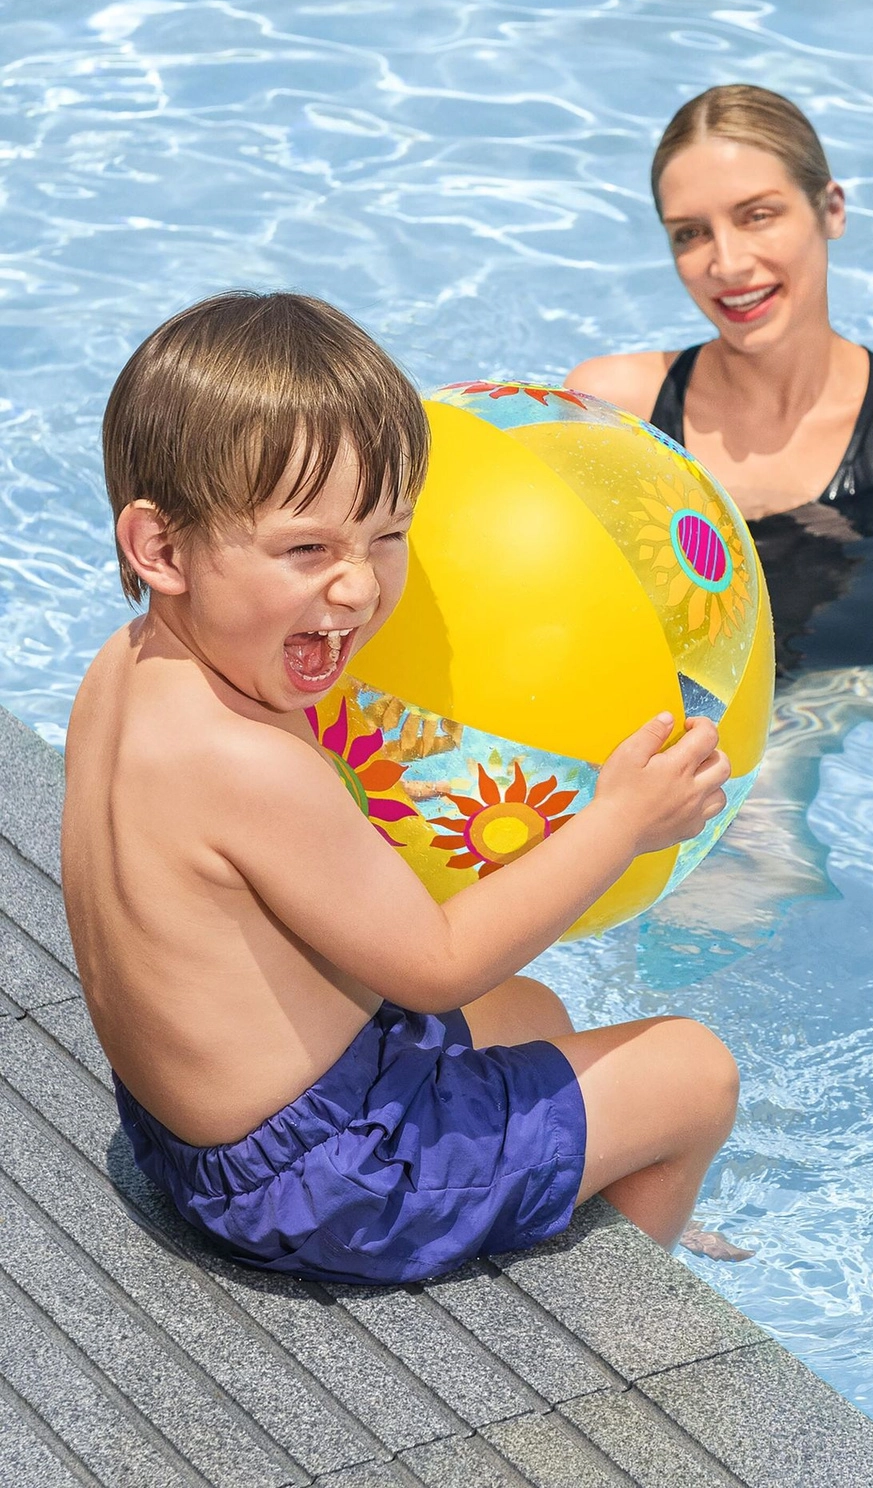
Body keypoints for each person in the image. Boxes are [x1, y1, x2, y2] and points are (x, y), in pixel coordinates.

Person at [61, 290, 741, 1286]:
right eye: (308, 548)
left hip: (193, 1134)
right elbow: (437, 965)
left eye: (386, 535)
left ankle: (592, 1168)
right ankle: (622, 1301)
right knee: (692, 1072)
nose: (360, 586)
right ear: (161, 549)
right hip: (328, 1183)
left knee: (536, 1010)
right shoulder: (245, 760)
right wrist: (622, 820)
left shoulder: (124, 671)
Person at [566, 83, 873, 689]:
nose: (727, 264)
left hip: (838, 690)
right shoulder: (615, 408)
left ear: (832, 210)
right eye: (690, 232)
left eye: (758, 216)